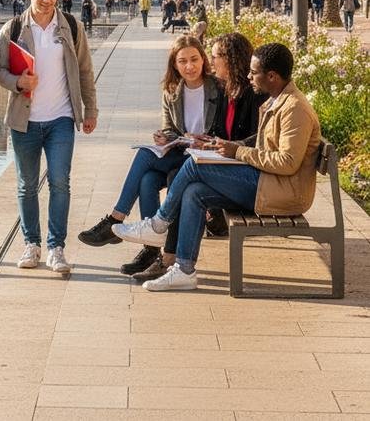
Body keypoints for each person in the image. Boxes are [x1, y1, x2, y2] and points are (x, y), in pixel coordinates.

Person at [113, 41, 322, 291]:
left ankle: (158, 225)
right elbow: (264, 148)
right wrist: (222, 146)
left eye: (254, 72)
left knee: (194, 166)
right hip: (268, 183)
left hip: (283, 193)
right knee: (194, 192)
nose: (249, 76)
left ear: (272, 76)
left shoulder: (294, 108)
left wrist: (238, 151)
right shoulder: (279, 101)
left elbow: (287, 163)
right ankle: (184, 270)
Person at [125, 32, 267, 281]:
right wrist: (207, 141)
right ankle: (176, 263)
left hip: (249, 174)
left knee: (185, 171)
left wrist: (221, 145)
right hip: (229, 163)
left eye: (214, 56)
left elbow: (259, 138)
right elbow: (222, 133)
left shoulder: (250, 94)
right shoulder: (230, 91)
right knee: (155, 176)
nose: (212, 62)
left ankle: (157, 230)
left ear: (230, 59)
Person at [77, 34, 222, 276]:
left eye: (194, 59)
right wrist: (165, 137)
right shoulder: (172, 91)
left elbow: (224, 130)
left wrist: (205, 140)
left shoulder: (217, 88)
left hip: (203, 157)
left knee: (146, 162)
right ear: (174, 64)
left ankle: (117, 220)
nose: (189, 66)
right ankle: (150, 249)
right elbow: (170, 128)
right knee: (147, 175)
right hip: (181, 151)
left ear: (203, 59)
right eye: (183, 61)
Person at [0, 0, 98, 276]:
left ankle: (56, 247)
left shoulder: (71, 26)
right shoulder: (13, 29)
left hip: (61, 119)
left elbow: (85, 71)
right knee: (27, 185)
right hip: (25, 120)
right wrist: (17, 82)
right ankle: (32, 244)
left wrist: (90, 110)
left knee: (59, 182)